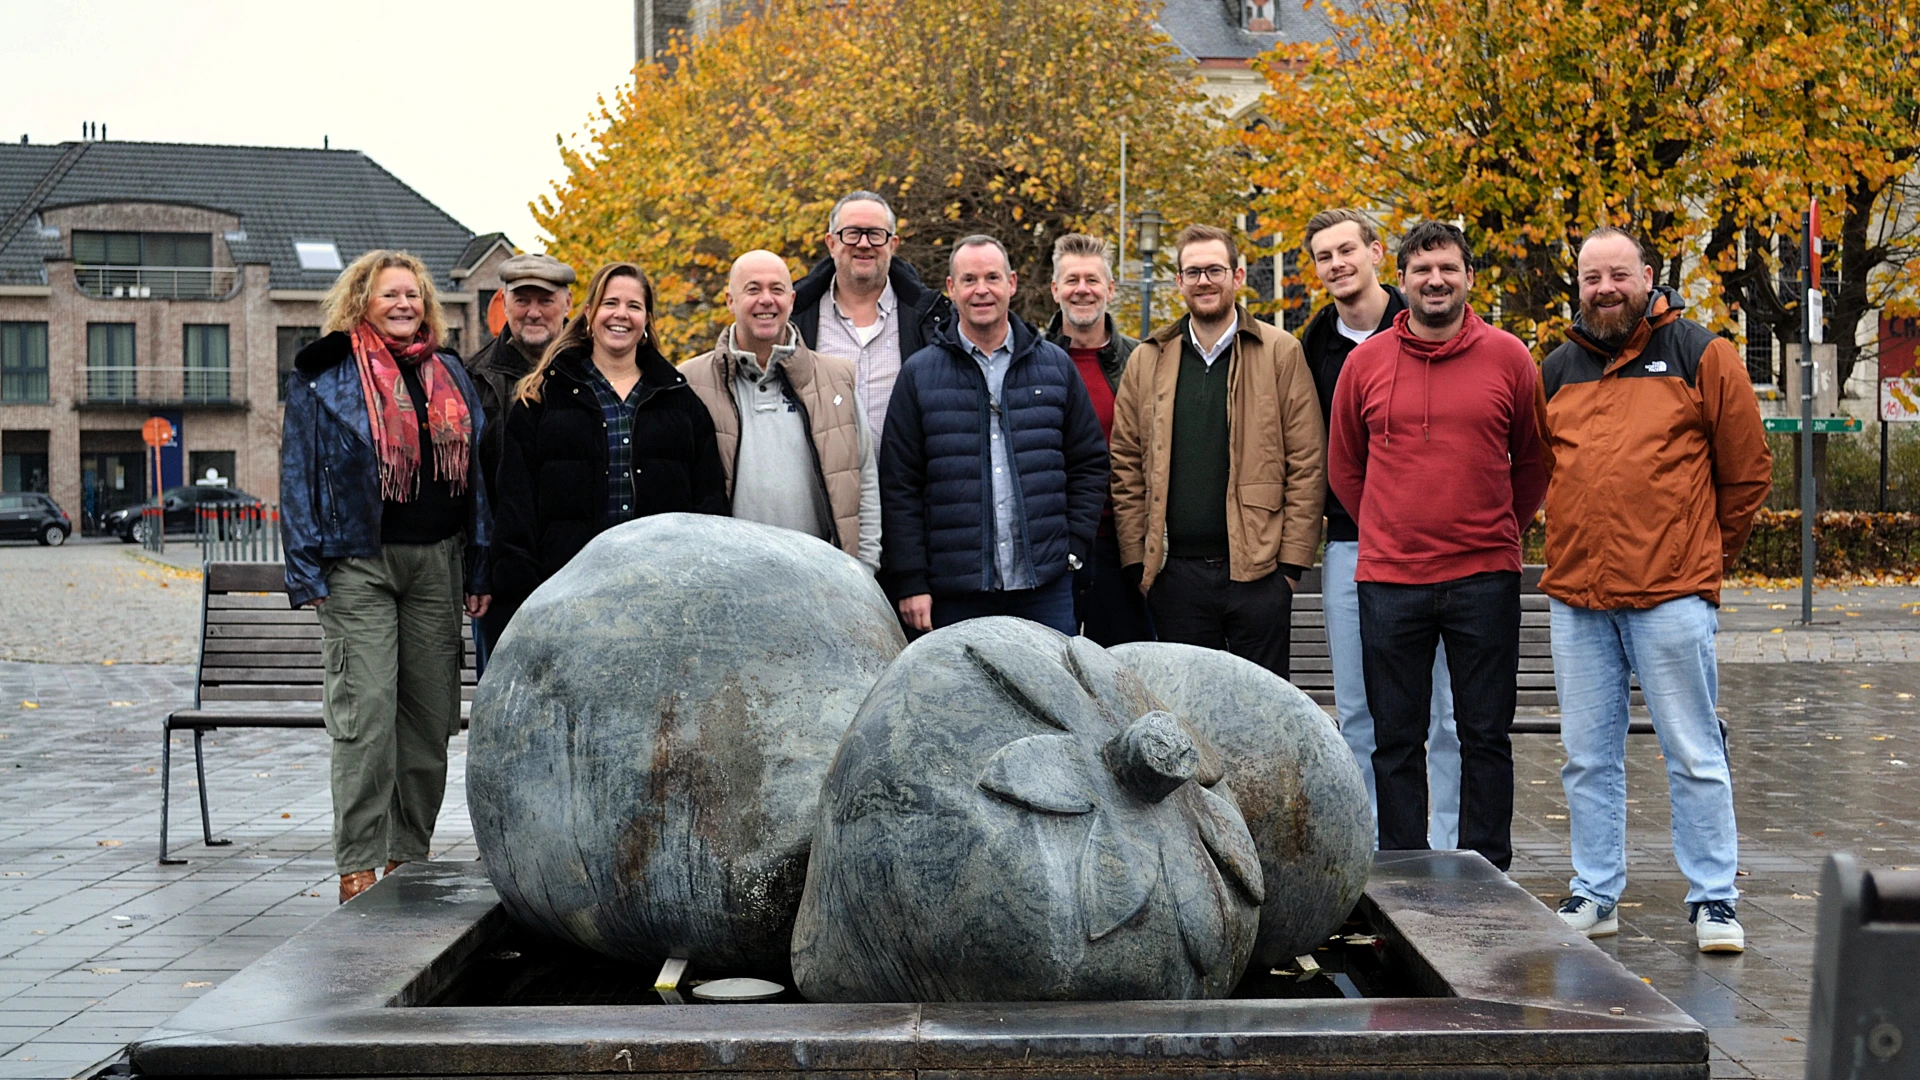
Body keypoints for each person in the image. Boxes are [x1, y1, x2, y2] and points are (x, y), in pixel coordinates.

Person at [1539, 227, 1771, 953]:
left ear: (1647, 276)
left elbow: (1748, 471)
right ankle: (1595, 891)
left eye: (1618, 275)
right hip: (1578, 596)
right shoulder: (1557, 368)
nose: (1605, 289)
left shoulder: (1704, 354)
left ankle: (1715, 900)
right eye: (1592, 278)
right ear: (1579, 286)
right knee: (1586, 757)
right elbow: (1544, 471)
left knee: (1694, 753)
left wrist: (1703, 557)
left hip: (1672, 594)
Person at [1328, 221, 1547, 873]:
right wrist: (1390, 526)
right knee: (1395, 739)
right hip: (1391, 580)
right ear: (1401, 279)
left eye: (1448, 268)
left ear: (1468, 277)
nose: (1435, 280)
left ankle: (1487, 872)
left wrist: (1498, 525)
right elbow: (1345, 466)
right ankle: (1403, 874)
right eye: (1422, 269)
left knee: (1485, 735)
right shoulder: (1365, 364)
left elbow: (1533, 460)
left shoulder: (1509, 358)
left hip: (1484, 577)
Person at [279, 249, 491, 905]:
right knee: (365, 719)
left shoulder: (449, 372)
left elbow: (477, 478)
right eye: (389, 294)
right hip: (357, 564)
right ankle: (360, 862)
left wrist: (480, 561)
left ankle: (407, 856)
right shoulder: (326, 375)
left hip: (437, 562)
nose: (404, 304)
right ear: (361, 302)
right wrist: (305, 568)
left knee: (427, 726)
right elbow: (297, 473)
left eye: (413, 294)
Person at [1298, 209, 1460, 849]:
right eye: (1324, 256)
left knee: (1446, 712)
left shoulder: (1426, 318)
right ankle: (1368, 852)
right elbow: (1325, 454)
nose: (1337, 264)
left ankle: (1450, 849)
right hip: (1352, 542)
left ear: (1375, 252)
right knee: (1360, 709)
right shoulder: (1311, 347)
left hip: (1437, 549)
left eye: (1347, 250)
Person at [1109, 224, 1324, 679]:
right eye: (1193, 272)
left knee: (1261, 710)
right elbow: (1125, 465)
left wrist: (1289, 568)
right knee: (1188, 709)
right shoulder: (1147, 360)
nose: (1204, 281)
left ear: (1237, 276)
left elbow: (1307, 462)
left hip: (1260, 574)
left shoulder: (1280, 353)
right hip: (1174, 577)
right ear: (1179, 282)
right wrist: (1138, 562)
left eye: (1214, 270)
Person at [879, 234, 1107, 635]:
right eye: (969, 280)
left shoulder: (1055, 367)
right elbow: (900, 486)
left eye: (992, 277)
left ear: (1011, 283)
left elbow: (1089, 463)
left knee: (1052, 679)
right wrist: (911, 579)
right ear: (951, 289)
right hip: (954, 591)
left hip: (1045, 587)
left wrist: (1072, 547)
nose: (981, 290)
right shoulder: (919, 374)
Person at [490, 262, 728, 619]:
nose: (621, 314)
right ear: (589, 313)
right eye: (610, 303)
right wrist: (524, 598)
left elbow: (709, 510)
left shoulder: (680, 402)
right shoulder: (542, 399)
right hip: (566, 599)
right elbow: (515, 509)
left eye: (634, 306)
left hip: (660, 601)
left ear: (647, 319)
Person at [681, 250, 880, 572]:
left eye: (776, 289)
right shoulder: (691, 382)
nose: (766, 300)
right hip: (728, 580)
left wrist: (865, 568)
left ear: (791, 299)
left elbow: (864, 478)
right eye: (753, 289)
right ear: (730, 301)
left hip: (823, 578)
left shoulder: (837, 381)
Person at [463, 253, 574, 661]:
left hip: (577, 571)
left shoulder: (592, 373)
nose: (533, 312)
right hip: (500, 580)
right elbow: (468, 487)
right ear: (504, 302)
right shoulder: (473, 379)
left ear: (568, 303)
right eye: (522, 300)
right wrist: (477, 570)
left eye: (546, 300)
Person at [1043, 233, 1150, 646]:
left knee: (1124, 668)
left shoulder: (1142, 362)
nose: (1082, 289)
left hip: (1124, 549)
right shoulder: (1030, 361)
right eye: (1072, 280)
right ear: (1055, 289)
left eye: (1092, 279)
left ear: (1110, 288)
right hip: (1054, 546)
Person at [792, 191, 952, 442]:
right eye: (852, 233)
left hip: (905, 468)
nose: (864, 243)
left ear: (893, 244)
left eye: (875, 234)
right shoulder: (795, 318)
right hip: (817, 468)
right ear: (831, 243)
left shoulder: (932, 320)